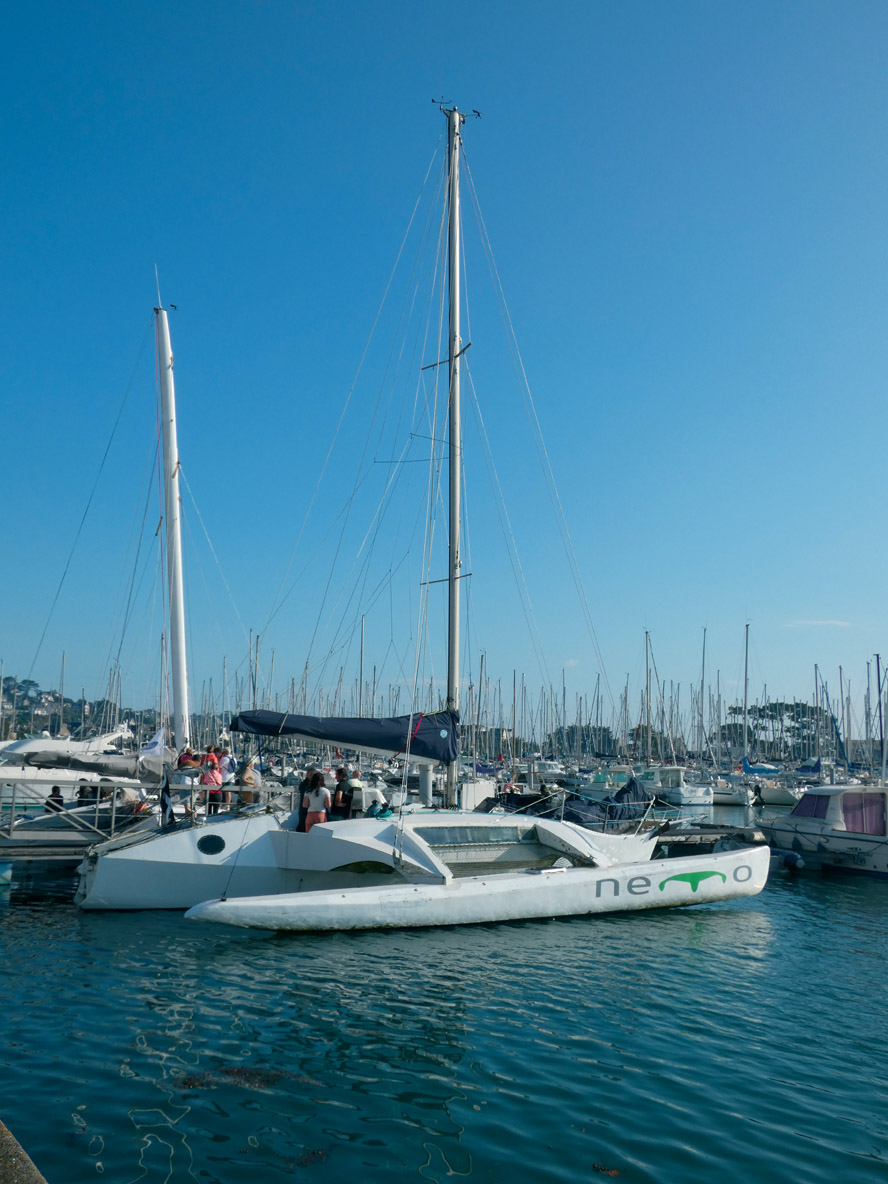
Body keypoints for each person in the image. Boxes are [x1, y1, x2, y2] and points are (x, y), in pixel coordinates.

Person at [296, 765, 316, 832]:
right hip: (304, 810)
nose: (312, 776)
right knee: (303, 827)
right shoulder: (304, 784)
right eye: (310, 775)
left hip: (308, 810)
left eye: (313, 775)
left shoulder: (311, 784)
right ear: (307, 775)